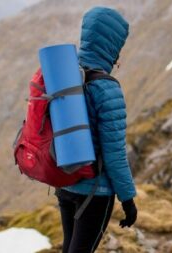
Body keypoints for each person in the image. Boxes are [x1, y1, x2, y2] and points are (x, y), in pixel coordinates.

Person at [55, 7, 137, 253]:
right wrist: (128, 199)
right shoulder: (107, 90)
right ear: (112, 45)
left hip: (65, 182)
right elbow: (114, 153)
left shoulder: (65, 76)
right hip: (94, 192)